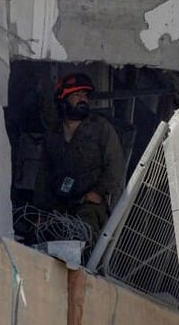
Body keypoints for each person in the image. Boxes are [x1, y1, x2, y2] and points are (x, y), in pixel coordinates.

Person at [34, 73, 124, 239]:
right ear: (63, 100)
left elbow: (115, 165)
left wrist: (98, 192)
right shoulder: (53, 134)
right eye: (76, 95)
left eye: (85, 95)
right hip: (59, 205)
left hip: (89, 204)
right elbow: (43, 176)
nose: (83, 99)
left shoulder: (100, 128)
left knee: (83, 236)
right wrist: (41, 211)